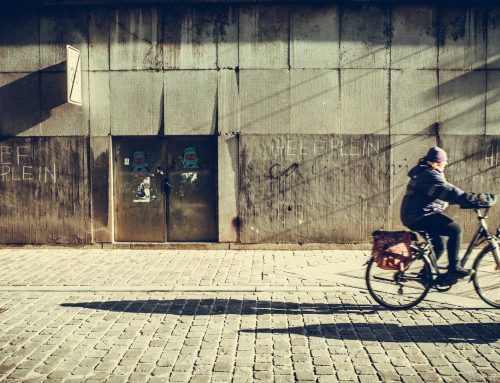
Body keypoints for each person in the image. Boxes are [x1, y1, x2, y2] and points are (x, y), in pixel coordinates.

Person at [400, 147, 471, 278]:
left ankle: (425, 274)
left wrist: (460, 200)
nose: (446, 163)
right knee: (456, 230)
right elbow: (448, 191)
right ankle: (454, 267)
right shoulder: (430, 174)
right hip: (419, 216)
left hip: (416, 214)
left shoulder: (425, 172)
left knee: (439, 244)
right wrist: (470, 199)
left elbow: (441, 194)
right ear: (437, 162)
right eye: (444, 161)